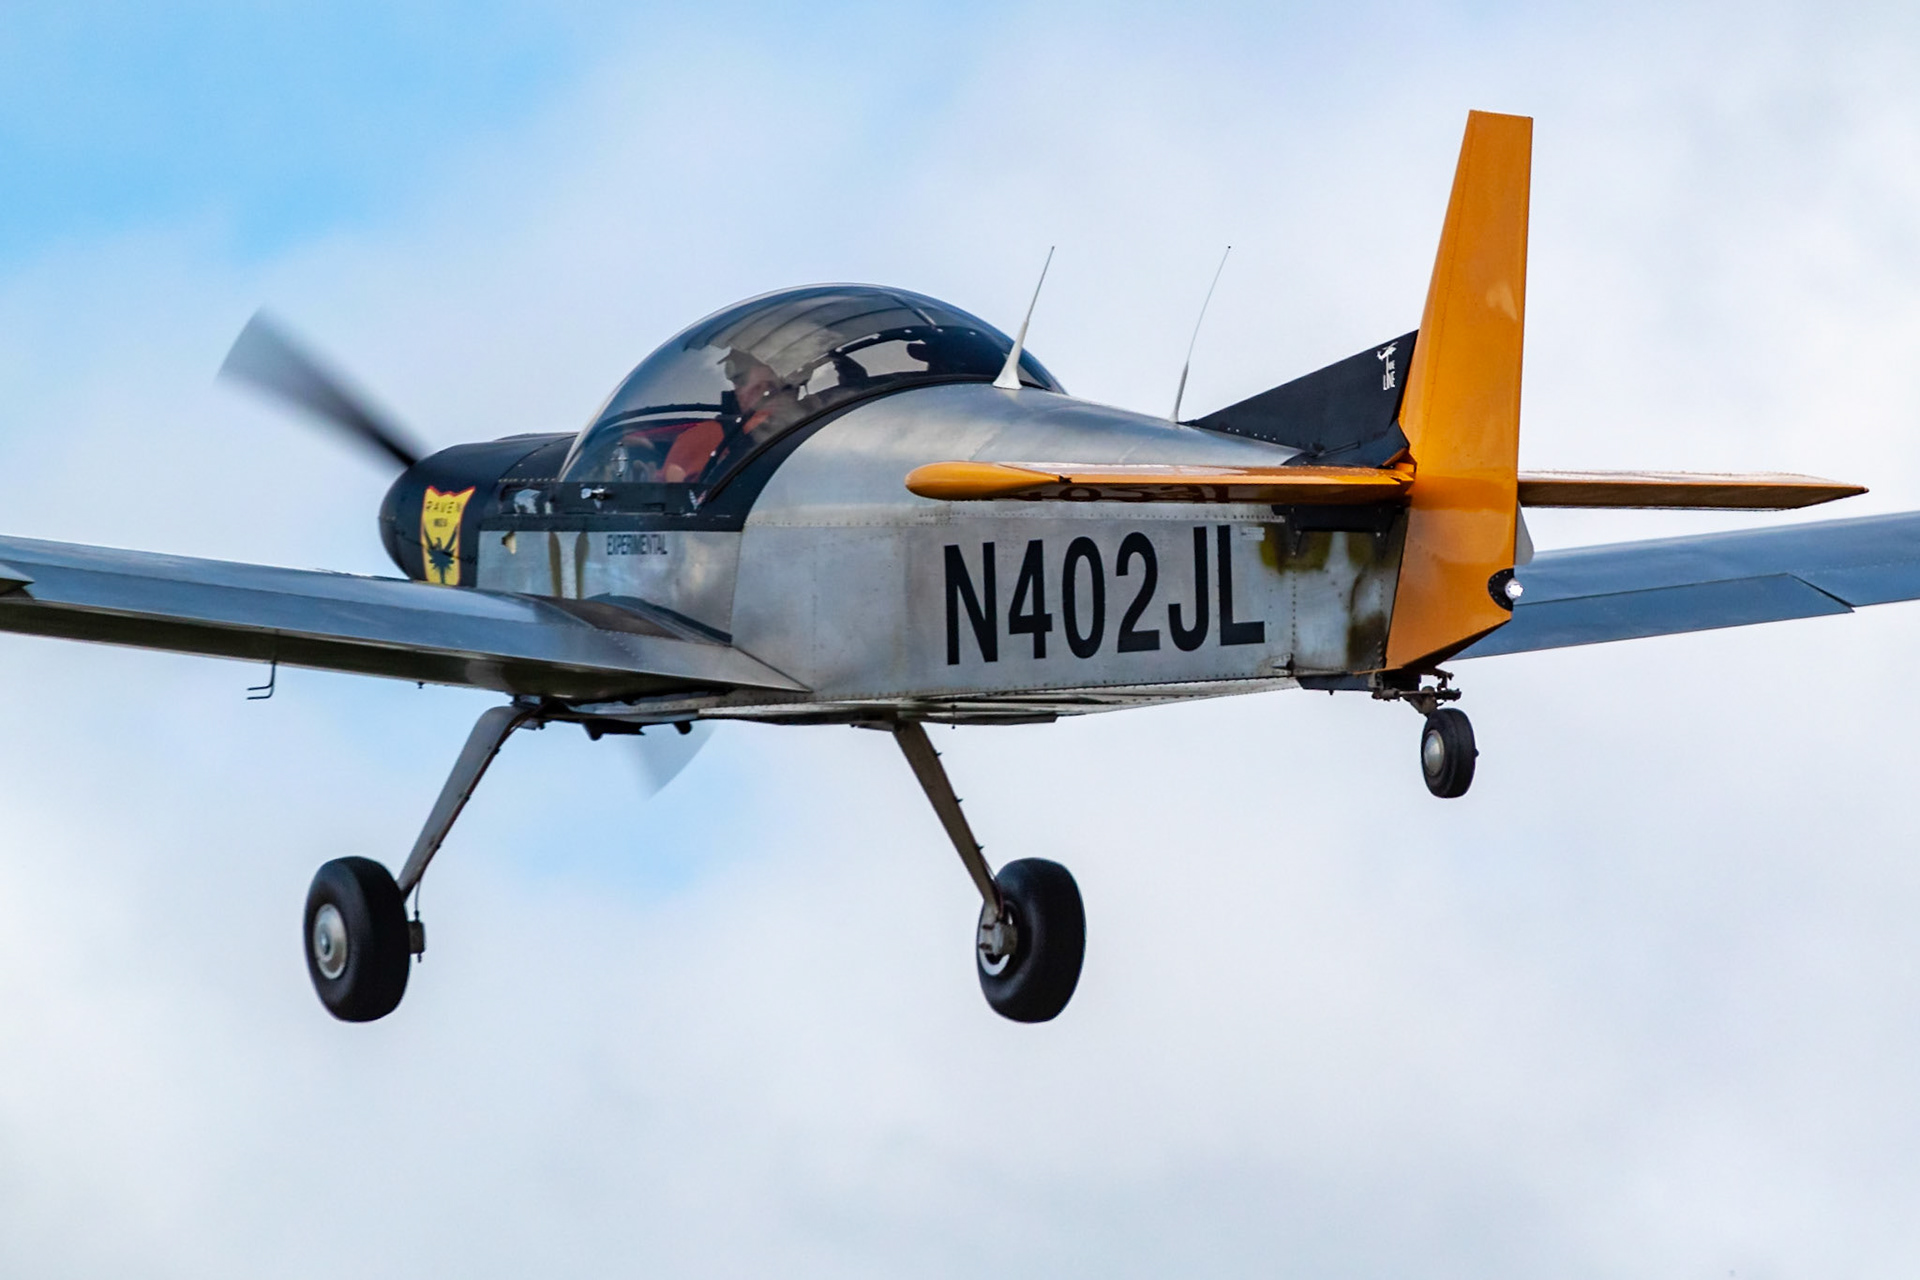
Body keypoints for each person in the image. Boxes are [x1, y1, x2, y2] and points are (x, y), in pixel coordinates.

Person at [658, 348, 802, 484]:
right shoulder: (706, 437)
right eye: (735, 376)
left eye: (740, 376)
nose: (736, 385)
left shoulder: (704, 437)